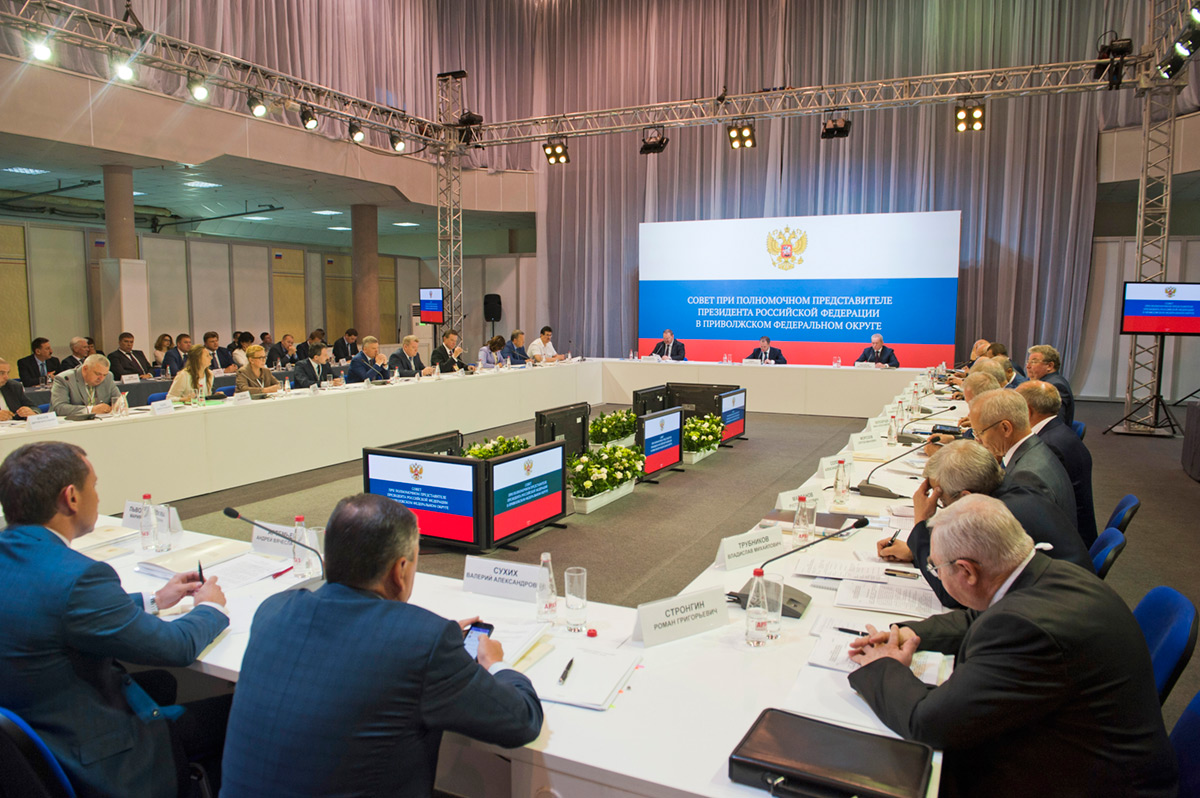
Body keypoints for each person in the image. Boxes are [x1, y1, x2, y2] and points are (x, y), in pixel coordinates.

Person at [848, 495, 1177, 798]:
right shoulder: (1045, 573)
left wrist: (883, 665)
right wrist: (906, 632)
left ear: (967, 571)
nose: (937, 574)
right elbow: (976, 618)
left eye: (937, 568)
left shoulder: (1026, 628)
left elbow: (929, 723)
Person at [219, 494, 543, 797]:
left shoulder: (273, 609)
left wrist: (426, 638)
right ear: (399, 571)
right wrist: (495, 664)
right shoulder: (424, 642)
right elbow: (521, 721)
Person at [0, 441, 231, 798]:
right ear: (71, 497)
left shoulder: (17, 558)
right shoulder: (78, 576)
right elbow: (177, 647)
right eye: (94, 485)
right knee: (240, 710)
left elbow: (53, 610)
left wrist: (154, 600)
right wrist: (210, 608)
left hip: (31, 741)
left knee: (161, 683)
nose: (97, 495)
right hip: (96, 756)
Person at [877, 440, 1092, 608]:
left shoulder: (998, 518)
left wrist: (921, 522)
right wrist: (917, 551)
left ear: (965, 496)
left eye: (941, 499)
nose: (939, 504)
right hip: (1065, 597)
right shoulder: (1012, 489)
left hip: (1057, 615)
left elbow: (954, 594)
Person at [969, 388, 1076, 526]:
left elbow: (1018, 531)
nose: (977, 440)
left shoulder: (1027, 477)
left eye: (979, 432)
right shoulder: (1035, 448)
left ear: (1005, 428)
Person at [1018, 381, 1098, 547]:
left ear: (1027, 410)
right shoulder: (1058, 431)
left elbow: (1034, 502)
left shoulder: (1047, 445)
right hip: (1074, 526)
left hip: (1067, 540)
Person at [51, 354, 122, 417]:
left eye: (104, 375)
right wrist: (91, 410)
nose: (101, 378)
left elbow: (118, 400)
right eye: (98, 374)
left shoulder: (108, 376)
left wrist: (118, 406)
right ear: (85, 369)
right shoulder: (65, 379)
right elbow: (59, 408)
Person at [1026, 344, 1074, 426]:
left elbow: (1055, 424)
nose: (1028, 366)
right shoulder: (1044, 382)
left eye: (1033, 362)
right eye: (1028, 362)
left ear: (1049, 366)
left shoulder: (1054, 386)